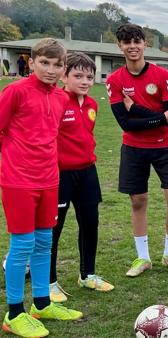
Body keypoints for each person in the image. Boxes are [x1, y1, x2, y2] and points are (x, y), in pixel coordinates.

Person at [0, 38, 82, 338]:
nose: (50, 69)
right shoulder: (16, 91)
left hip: (50, 180)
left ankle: (42, 304)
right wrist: (11, 162)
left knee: (45, 243)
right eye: (44, 63)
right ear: (31, 62)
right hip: (18, 181)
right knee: (22, 245)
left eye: (57, 64)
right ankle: (14, 314)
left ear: (63, 69)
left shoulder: (62, 98)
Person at [106, 23, 168, 278]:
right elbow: (126, 124)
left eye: (137, 41)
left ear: (145, 44)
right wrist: (158, 118)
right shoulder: (114, 81)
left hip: (165, 146)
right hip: (133, 148)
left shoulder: (162, 76)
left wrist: (139, 111)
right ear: (120, 46)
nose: (132, 46)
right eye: (126, 42)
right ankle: (142, 258)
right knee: (138, 200)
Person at [49, 52, 114, 303]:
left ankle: (87, 275)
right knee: (53, 230)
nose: (85, 81)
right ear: (64, 76)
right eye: (78, 76)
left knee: (90, 223)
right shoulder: (55, 101)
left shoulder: (92, 105)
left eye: (89, 76)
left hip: (87, 171)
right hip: (60, 174)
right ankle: (50, 281)